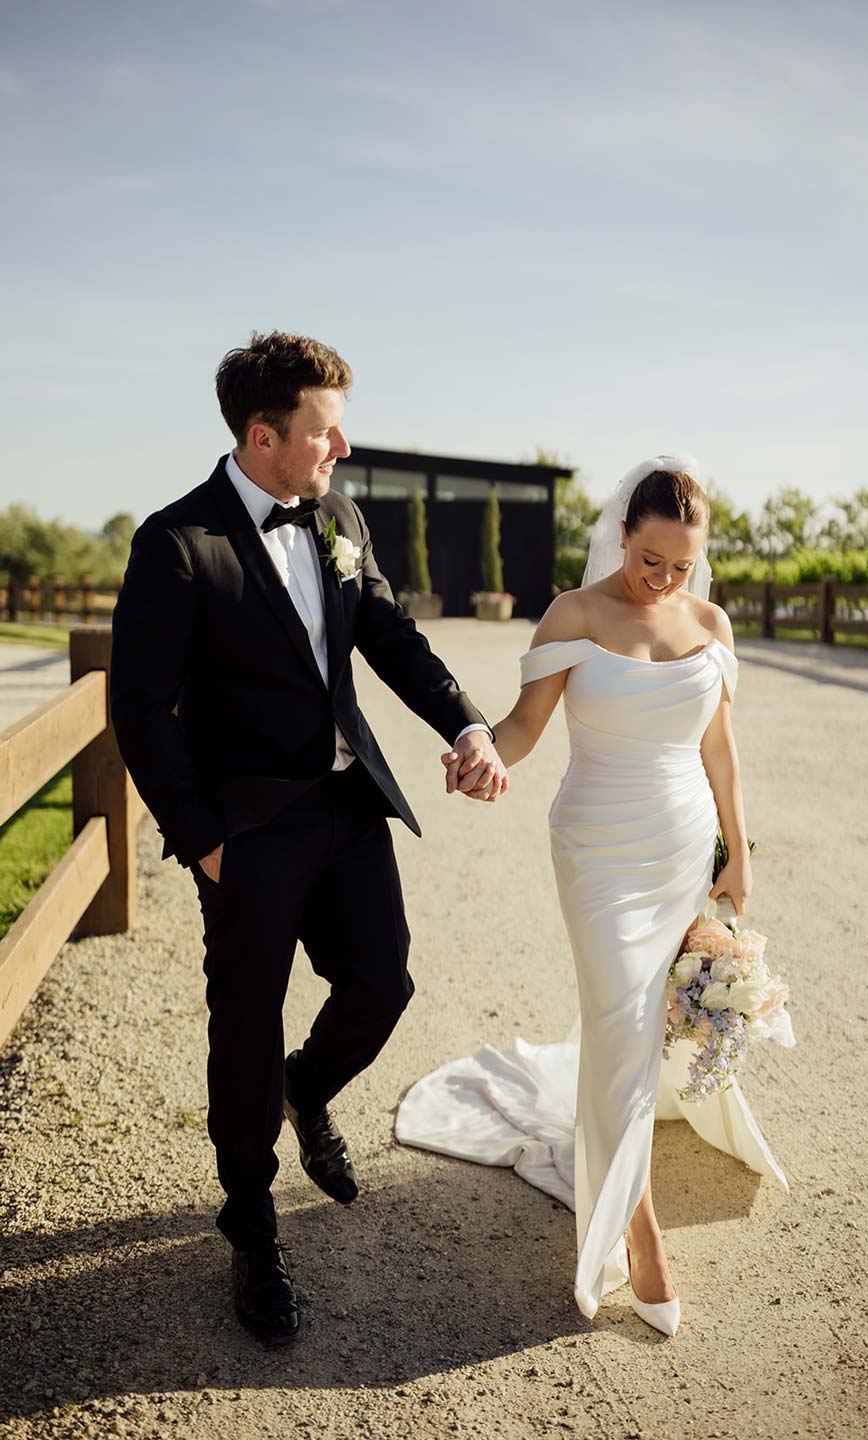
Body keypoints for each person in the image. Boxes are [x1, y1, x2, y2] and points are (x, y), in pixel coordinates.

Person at [110, 331, 507, 1346]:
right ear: (263, 435)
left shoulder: (336, 514)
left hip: (344, 805)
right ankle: (251, 1233)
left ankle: (308, 1089)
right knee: (242, 1027)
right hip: (246, 833)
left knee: (384, 985)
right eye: (325, 433)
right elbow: (139, 707)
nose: (341, 449)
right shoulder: (174, 545)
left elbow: (386, 629)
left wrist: (466, 723)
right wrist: (202, 841)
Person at [401, 456, 788, 1338]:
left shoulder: (710, 622)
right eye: (651, 559)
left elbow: (719, 748)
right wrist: (483, 754)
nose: (664, 579)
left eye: (681, 565)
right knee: (618, 1021)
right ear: (622, 533)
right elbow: (526, 728)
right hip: (599, 851)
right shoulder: (574, 615)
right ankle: (641, 1239)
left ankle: (629, 1182)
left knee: (641, 1032)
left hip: (682, 844)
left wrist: (737, 849)